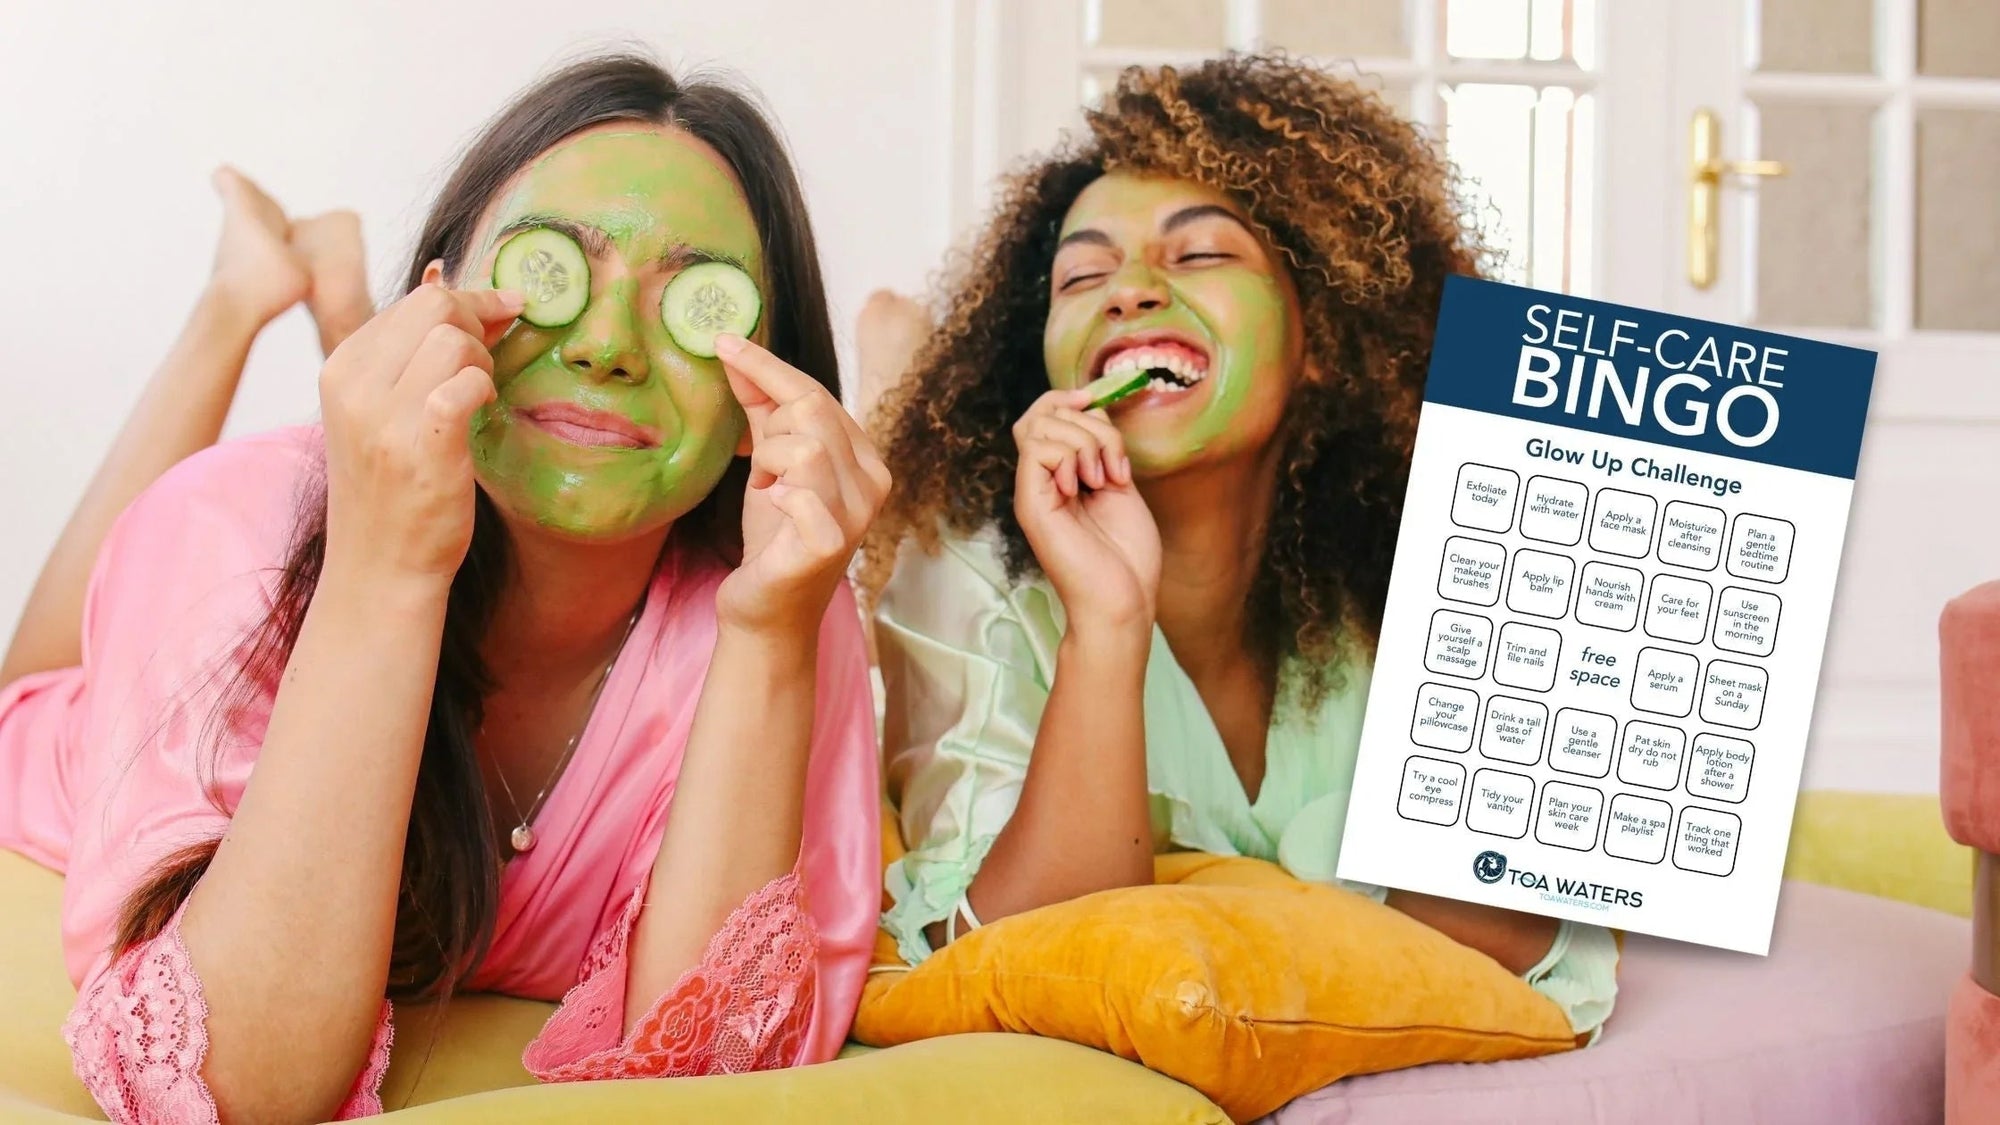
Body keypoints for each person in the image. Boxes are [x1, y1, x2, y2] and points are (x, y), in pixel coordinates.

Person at [0, 53, 888, 1124]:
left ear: (767, 396)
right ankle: (239, 298)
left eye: (694, 303)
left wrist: (771, 635)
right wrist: (387, 563)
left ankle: (326, 301)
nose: (607, 345)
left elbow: (708, 1078)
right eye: (554, 269)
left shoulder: (782, 603)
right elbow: (232, 1086)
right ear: (435, 305)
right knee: (28, 688)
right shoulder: (228, 531)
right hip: (91, 717)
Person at [866, 53, 1617, 1043]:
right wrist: (1107, 623)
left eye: (1199, 256)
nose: (1128, 292)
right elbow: (1018, 960)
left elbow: (1513, 943)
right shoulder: (964, 564)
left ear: (1322, 343)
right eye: (1082, 276)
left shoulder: (1424, 561)